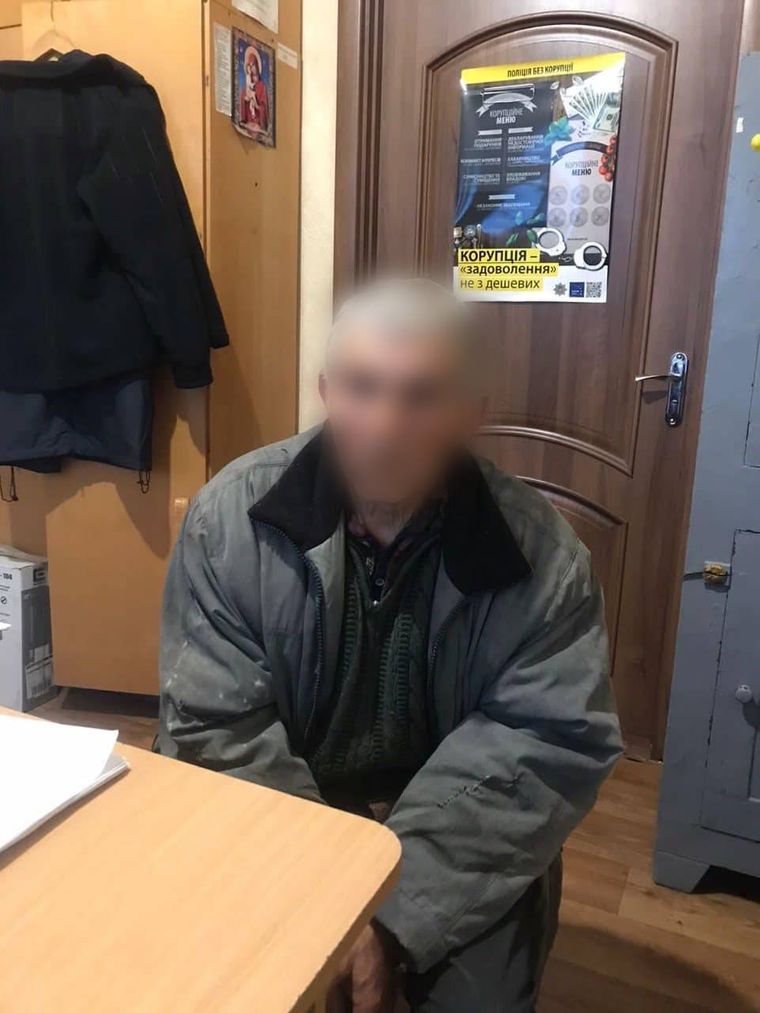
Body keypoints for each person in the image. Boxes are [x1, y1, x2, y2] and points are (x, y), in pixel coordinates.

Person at [157, 278, 622, 1011]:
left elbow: (542, 747)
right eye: (362, 387)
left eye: (422, 395)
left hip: (460, 809)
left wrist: (391, 921)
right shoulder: (230, 522)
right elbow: (217, 728)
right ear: (326, 391)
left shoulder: (546, 560)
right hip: (288, 799)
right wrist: (332, 893)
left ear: (472, 413)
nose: (385, 424)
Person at [239, 45, 268, 133]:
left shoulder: (262, 86)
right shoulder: (245, 88)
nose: (252, 68)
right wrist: (245, 99)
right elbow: (243, 104)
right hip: (249, 122)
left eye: (253, 65)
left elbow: (264, 107)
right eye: (250, 65)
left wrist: (257, 106)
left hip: (257, 122)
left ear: (257, 66)